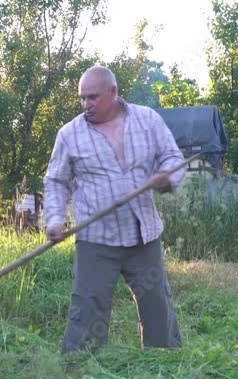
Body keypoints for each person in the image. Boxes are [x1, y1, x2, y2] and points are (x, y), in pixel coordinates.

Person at [43, 65, 186, 354]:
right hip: (96, 240)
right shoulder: (70, 134)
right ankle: (81, 366)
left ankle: (164, 360)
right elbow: (56, 181)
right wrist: (55, 220)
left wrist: (167, 177)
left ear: (113, 92)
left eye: (93, 97)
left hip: (143, 235)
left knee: (157, 305)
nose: (86, 104)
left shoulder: (147, 120)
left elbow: (172, 156)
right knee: (87, 310)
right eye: (82, 98)